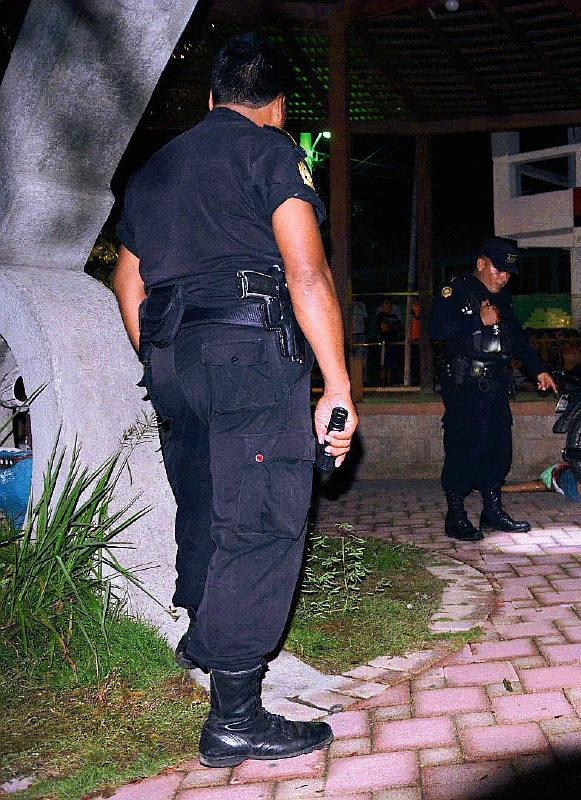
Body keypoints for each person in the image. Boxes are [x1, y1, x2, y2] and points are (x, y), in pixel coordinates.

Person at [112, 31, 357, 769]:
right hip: (246, 356)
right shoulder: (271, 153)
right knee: (260, 518)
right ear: (276, 106)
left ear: (212, 96)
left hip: (173, 357)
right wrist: (337, 384)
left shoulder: (157, 167)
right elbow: (306, 274)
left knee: (206, 500)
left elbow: (128, 281)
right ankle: (236, 719)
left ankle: (201, 639)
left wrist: (162, 359)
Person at [430, 237, 557, 541]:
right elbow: (437, 330)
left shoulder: (503, 297)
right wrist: (477, 321)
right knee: (464, 446)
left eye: (508, 273)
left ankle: (492, 512)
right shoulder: (455, 290)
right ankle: (456, 515)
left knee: (498, 448)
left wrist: (538, 369)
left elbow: (516, 336)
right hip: (465, 383)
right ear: (481, 263)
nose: (503, 278)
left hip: (497, 382)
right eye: (498, 270)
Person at [375, 297, 402, 386]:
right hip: (385, 343)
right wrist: (393, 328)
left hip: (393, 343)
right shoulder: (380, 316)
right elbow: (384, 328)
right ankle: (382, 384)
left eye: (389, 304)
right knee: (384, 365)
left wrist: (391, 328)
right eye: (386, 303)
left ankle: (389, 384)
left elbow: (399, 328)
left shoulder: (395, 317)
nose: (388, 306)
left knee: (391, 365)